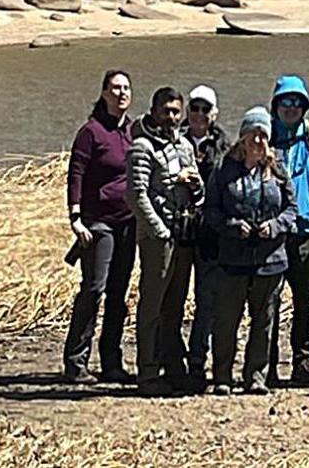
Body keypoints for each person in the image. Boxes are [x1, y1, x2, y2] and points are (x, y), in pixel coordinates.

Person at [205, 107, 298, 396]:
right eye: (253, 134)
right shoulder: (224, 168)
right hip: (233, 258)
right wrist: (232, 226)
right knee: (226, 320)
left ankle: (256, 376)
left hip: (270, 260)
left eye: (263, 135)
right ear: (243, 137)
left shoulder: (277, 169)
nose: (258, 140)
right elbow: (211, 210)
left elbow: (292, 208)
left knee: (264, 321)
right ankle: (222, 375)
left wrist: (276, 225)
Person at [127, 86, 203, 396]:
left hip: (183, 236)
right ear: (154, 111)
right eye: (165, 111)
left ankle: (173, 367)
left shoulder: (184, 145)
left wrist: (196, 189)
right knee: (152, 307)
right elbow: (136, 195)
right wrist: (159, 230)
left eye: (175, 111)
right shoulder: (141, 147)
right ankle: (147, 372)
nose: (170, 117)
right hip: (158, 239)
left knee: (175, 307)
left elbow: (197, 190)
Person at [63, 70, 136, 385]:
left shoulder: (133, 131)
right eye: (115, 88)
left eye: (126, 89)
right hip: (98, 223)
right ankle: (76, 362)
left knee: (118, 295)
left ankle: (111, 361)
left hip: (127, 222)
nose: (121, 94)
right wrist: (75, 217)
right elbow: (75, 174)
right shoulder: (90, 133)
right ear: (104, 93)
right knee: (94, 290)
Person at [266, 74, 309, 386]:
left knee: (304, 301)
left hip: (305, 231)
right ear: (276, 105)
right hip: (272, 233)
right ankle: (265, 364)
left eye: (296, 102)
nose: (290, 108)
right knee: (269, 299)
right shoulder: (265, 136)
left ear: (304, 106)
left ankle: (302, 364)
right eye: (285, 102)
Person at [182, 84, 231, 388]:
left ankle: (198, 362)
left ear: (214, 113)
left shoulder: (225, 147)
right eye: (194, 108)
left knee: (207, 301)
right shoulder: (173, 141)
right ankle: (169, 359)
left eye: (205, 109)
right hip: (176, 230)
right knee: (169, 300)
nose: (199, 114)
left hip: (210, 234)